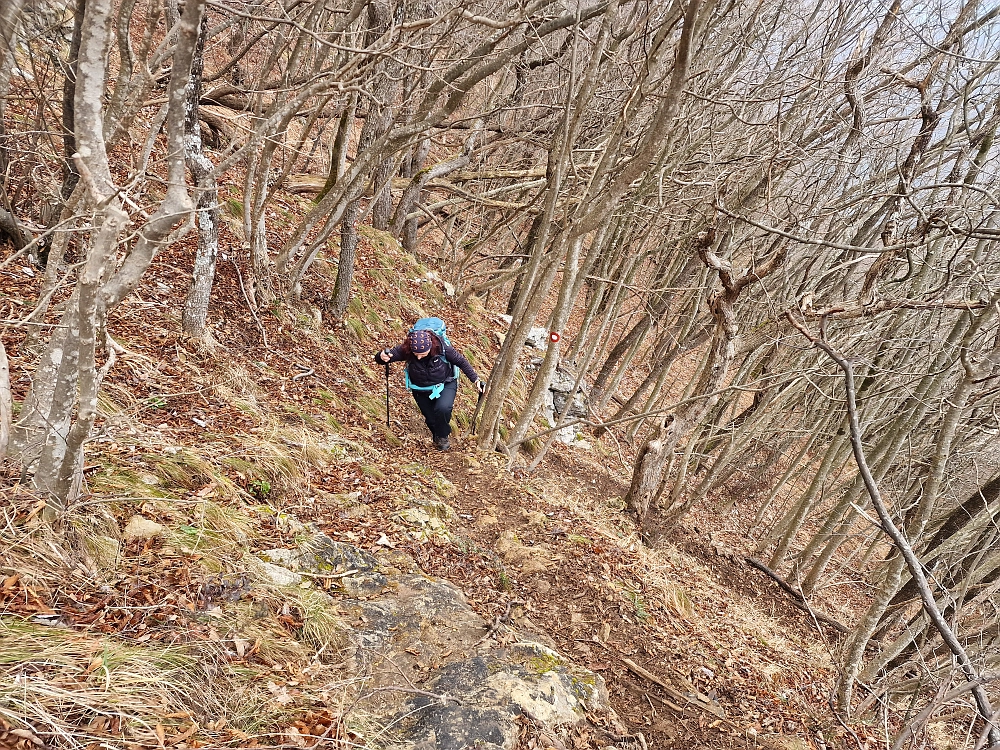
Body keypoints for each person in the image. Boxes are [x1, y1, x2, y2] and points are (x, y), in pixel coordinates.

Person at [376, 328, 486, 451]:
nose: (418, 357)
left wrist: (476, 380)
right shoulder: (406, 350)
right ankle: (437, 435)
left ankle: (443, 437)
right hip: (420, 388)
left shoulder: (443, 349)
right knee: (430, 417)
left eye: (422, 354)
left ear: (430, 347)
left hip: (445, 383)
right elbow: (384, 358)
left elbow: (461, 362)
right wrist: (381, 356)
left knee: (443, 408)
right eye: (415, 353)